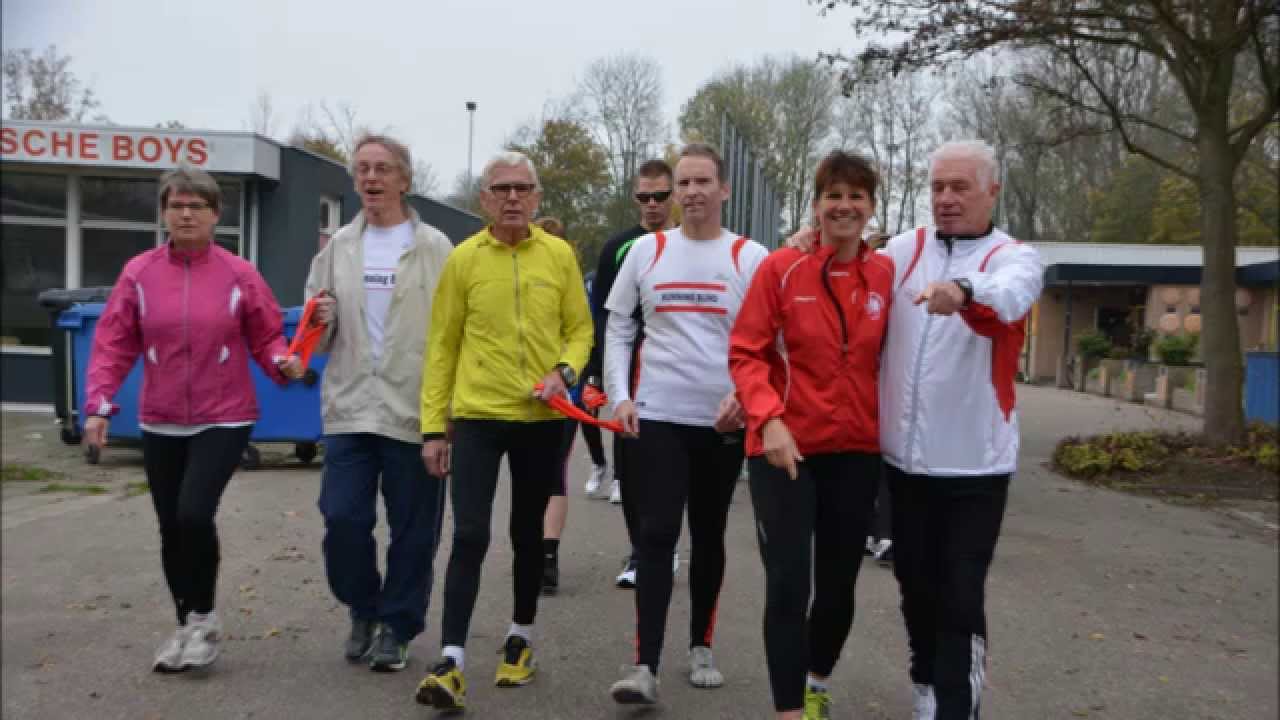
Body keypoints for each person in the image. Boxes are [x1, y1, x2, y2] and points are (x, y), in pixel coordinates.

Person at [790, 140, 1043, 719]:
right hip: (903, 463)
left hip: (976, 465)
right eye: (938, 188)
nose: (947, 199)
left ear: (992, 192)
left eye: (961, 187)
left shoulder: (1013, 257)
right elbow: (848, 259)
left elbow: (1012, 296)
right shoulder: (904, 249)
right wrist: (811, 242)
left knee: (960, 595)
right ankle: (925, 685)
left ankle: (958, 707)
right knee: (915, 588)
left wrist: (965, 290)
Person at [83, 165, 303, 672]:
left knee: (193, 514)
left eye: (196, 205)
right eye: (176, 204)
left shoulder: (239, 274)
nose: (185, 213)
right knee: (169, 527)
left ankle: (204, 622)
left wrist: (282, 364)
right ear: (163, 212)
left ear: (215, 215)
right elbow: (113, 343)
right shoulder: (139, 273)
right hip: (159, 418)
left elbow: (267, 336)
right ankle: (185, 626)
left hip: (223, 417)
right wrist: (98, 404)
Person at [415, 152, 593, 712]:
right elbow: (442, 345)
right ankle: (451, 660)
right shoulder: (464, 260)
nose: (512, 197)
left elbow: (580, 330)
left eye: (522, 188)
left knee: (525, 535)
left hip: (541, 418)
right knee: (469, 535)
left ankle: (521, 635)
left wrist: (563, 373)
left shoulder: (559, 255)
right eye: (501, 189)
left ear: (537, 197)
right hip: (477, 416)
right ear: (484, 200)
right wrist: (431, 428)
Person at [729, 151, 894, 720]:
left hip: (857, 451)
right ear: (817, 205)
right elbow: (746, 353)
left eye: (856, 196)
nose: (844, 206)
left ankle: (816, 679)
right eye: (833, 196)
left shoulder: (886, 273)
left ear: (871, 206)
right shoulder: (780, 268)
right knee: (787, 586)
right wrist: (768, 417)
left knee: (839, 590)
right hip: (785, 450)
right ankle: (789, 710)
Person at [605, 143, 768, 705]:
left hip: (720, 422)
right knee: (655, 533)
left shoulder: (750, 257)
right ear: (674, 193)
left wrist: (746, 396)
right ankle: (643, 664)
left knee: (708, 531)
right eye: (684, 183)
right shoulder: (646, 252)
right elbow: (619, 327)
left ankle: (701, 644)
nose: (693, 192)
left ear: (724, 190)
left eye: (703, 182)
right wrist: (621, 396)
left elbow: (772, 341)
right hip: (657, 415)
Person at [304, 134, 454, 672]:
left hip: (415, 410)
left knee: (414, 528)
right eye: (363, 169)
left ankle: (397, 624)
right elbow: (314, 333)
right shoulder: (338, 247)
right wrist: (318, 321)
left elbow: (454, 330)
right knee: (341, 517)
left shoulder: (435, 247)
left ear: (404, 180)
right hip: (350, 406)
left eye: (383, 169)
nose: (371, 178)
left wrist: (447, 413)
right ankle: (362, 608)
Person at [583, 158, 678, 588]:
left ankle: (664, 546)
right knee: (632, 465)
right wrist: (599, 371)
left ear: (673, 195)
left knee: (673, 464)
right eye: (644, 197)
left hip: (679, 370)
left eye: (660, 196)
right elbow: (601, 315)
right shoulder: (618, 247)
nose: (652, 204)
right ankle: (639, 551)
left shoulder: (689, 243)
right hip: (631, 369)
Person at [532, 215, 606, 596]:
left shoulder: (575, 287)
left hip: (562, 396)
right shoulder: (523, 286)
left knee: (553, 473)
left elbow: (587, 335)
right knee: (537, 475)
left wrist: (584, 377)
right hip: (522, 397)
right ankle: (537, 553)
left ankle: (548, 557)